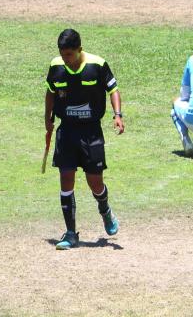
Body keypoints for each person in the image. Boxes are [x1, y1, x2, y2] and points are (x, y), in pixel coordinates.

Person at [44, 29, 124, 250]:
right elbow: (50, 92)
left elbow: (113, 89)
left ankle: (105, 210)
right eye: (63, 54)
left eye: (70, 54)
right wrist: (47, 120)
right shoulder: (56, 66)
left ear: (80, 49)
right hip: (67, 131)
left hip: (91, 132)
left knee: (95, 182)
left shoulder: (97, 65)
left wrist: (118, 116)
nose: (66, 59)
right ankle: (70, 233)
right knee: (66, 179)